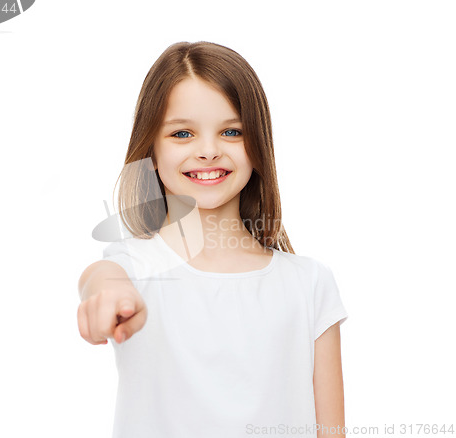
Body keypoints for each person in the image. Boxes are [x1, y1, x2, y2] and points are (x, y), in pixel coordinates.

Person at [77, 41, 348, 438]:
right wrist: (105, 297)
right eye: (182, 133)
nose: (208, 151)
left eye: (232, 131)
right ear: (150, 150)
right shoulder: (131, 270)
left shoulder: (309, 284)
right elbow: (99, 278)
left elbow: (332, 431)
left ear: (257, 147)